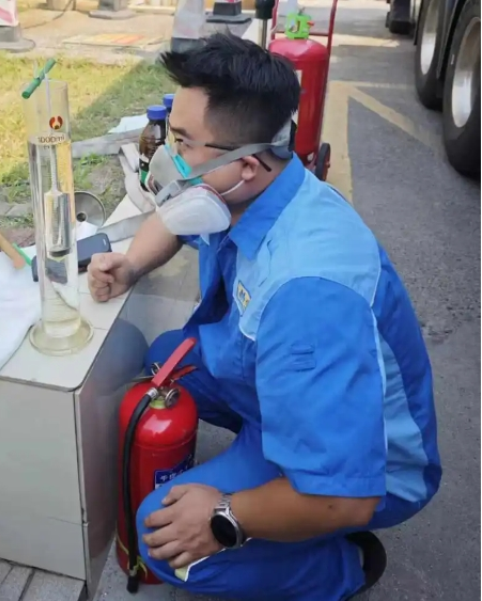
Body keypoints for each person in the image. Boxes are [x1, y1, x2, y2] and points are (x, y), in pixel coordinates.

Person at [88, 33, 441, 601]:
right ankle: (266, 463)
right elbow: (174, 215)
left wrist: (226, 514)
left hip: (363, 477)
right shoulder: (254, 189)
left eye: (183, 143)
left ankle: (339, 567)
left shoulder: (307, 295)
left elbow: (344, 499)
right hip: (275, 381)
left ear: (245, 164)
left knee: (165, 540)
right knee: (165, 361)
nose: (167, 158)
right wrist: (129, 265)